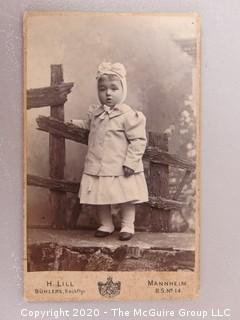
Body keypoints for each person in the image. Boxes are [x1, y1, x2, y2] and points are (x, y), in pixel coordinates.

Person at [71, 62, 148, 240]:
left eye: (114, 88)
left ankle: (127, 225)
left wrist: (131, 162)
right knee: (100, 195)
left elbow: (138, 140)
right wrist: (74, 124)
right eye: (102, 89)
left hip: (121, 165)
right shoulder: (96, 114)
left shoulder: (128, 115)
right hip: (98, 164)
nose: (108, 93)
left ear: (123, 89)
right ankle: (106, 223)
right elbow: (88, 126)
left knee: (126, 196)